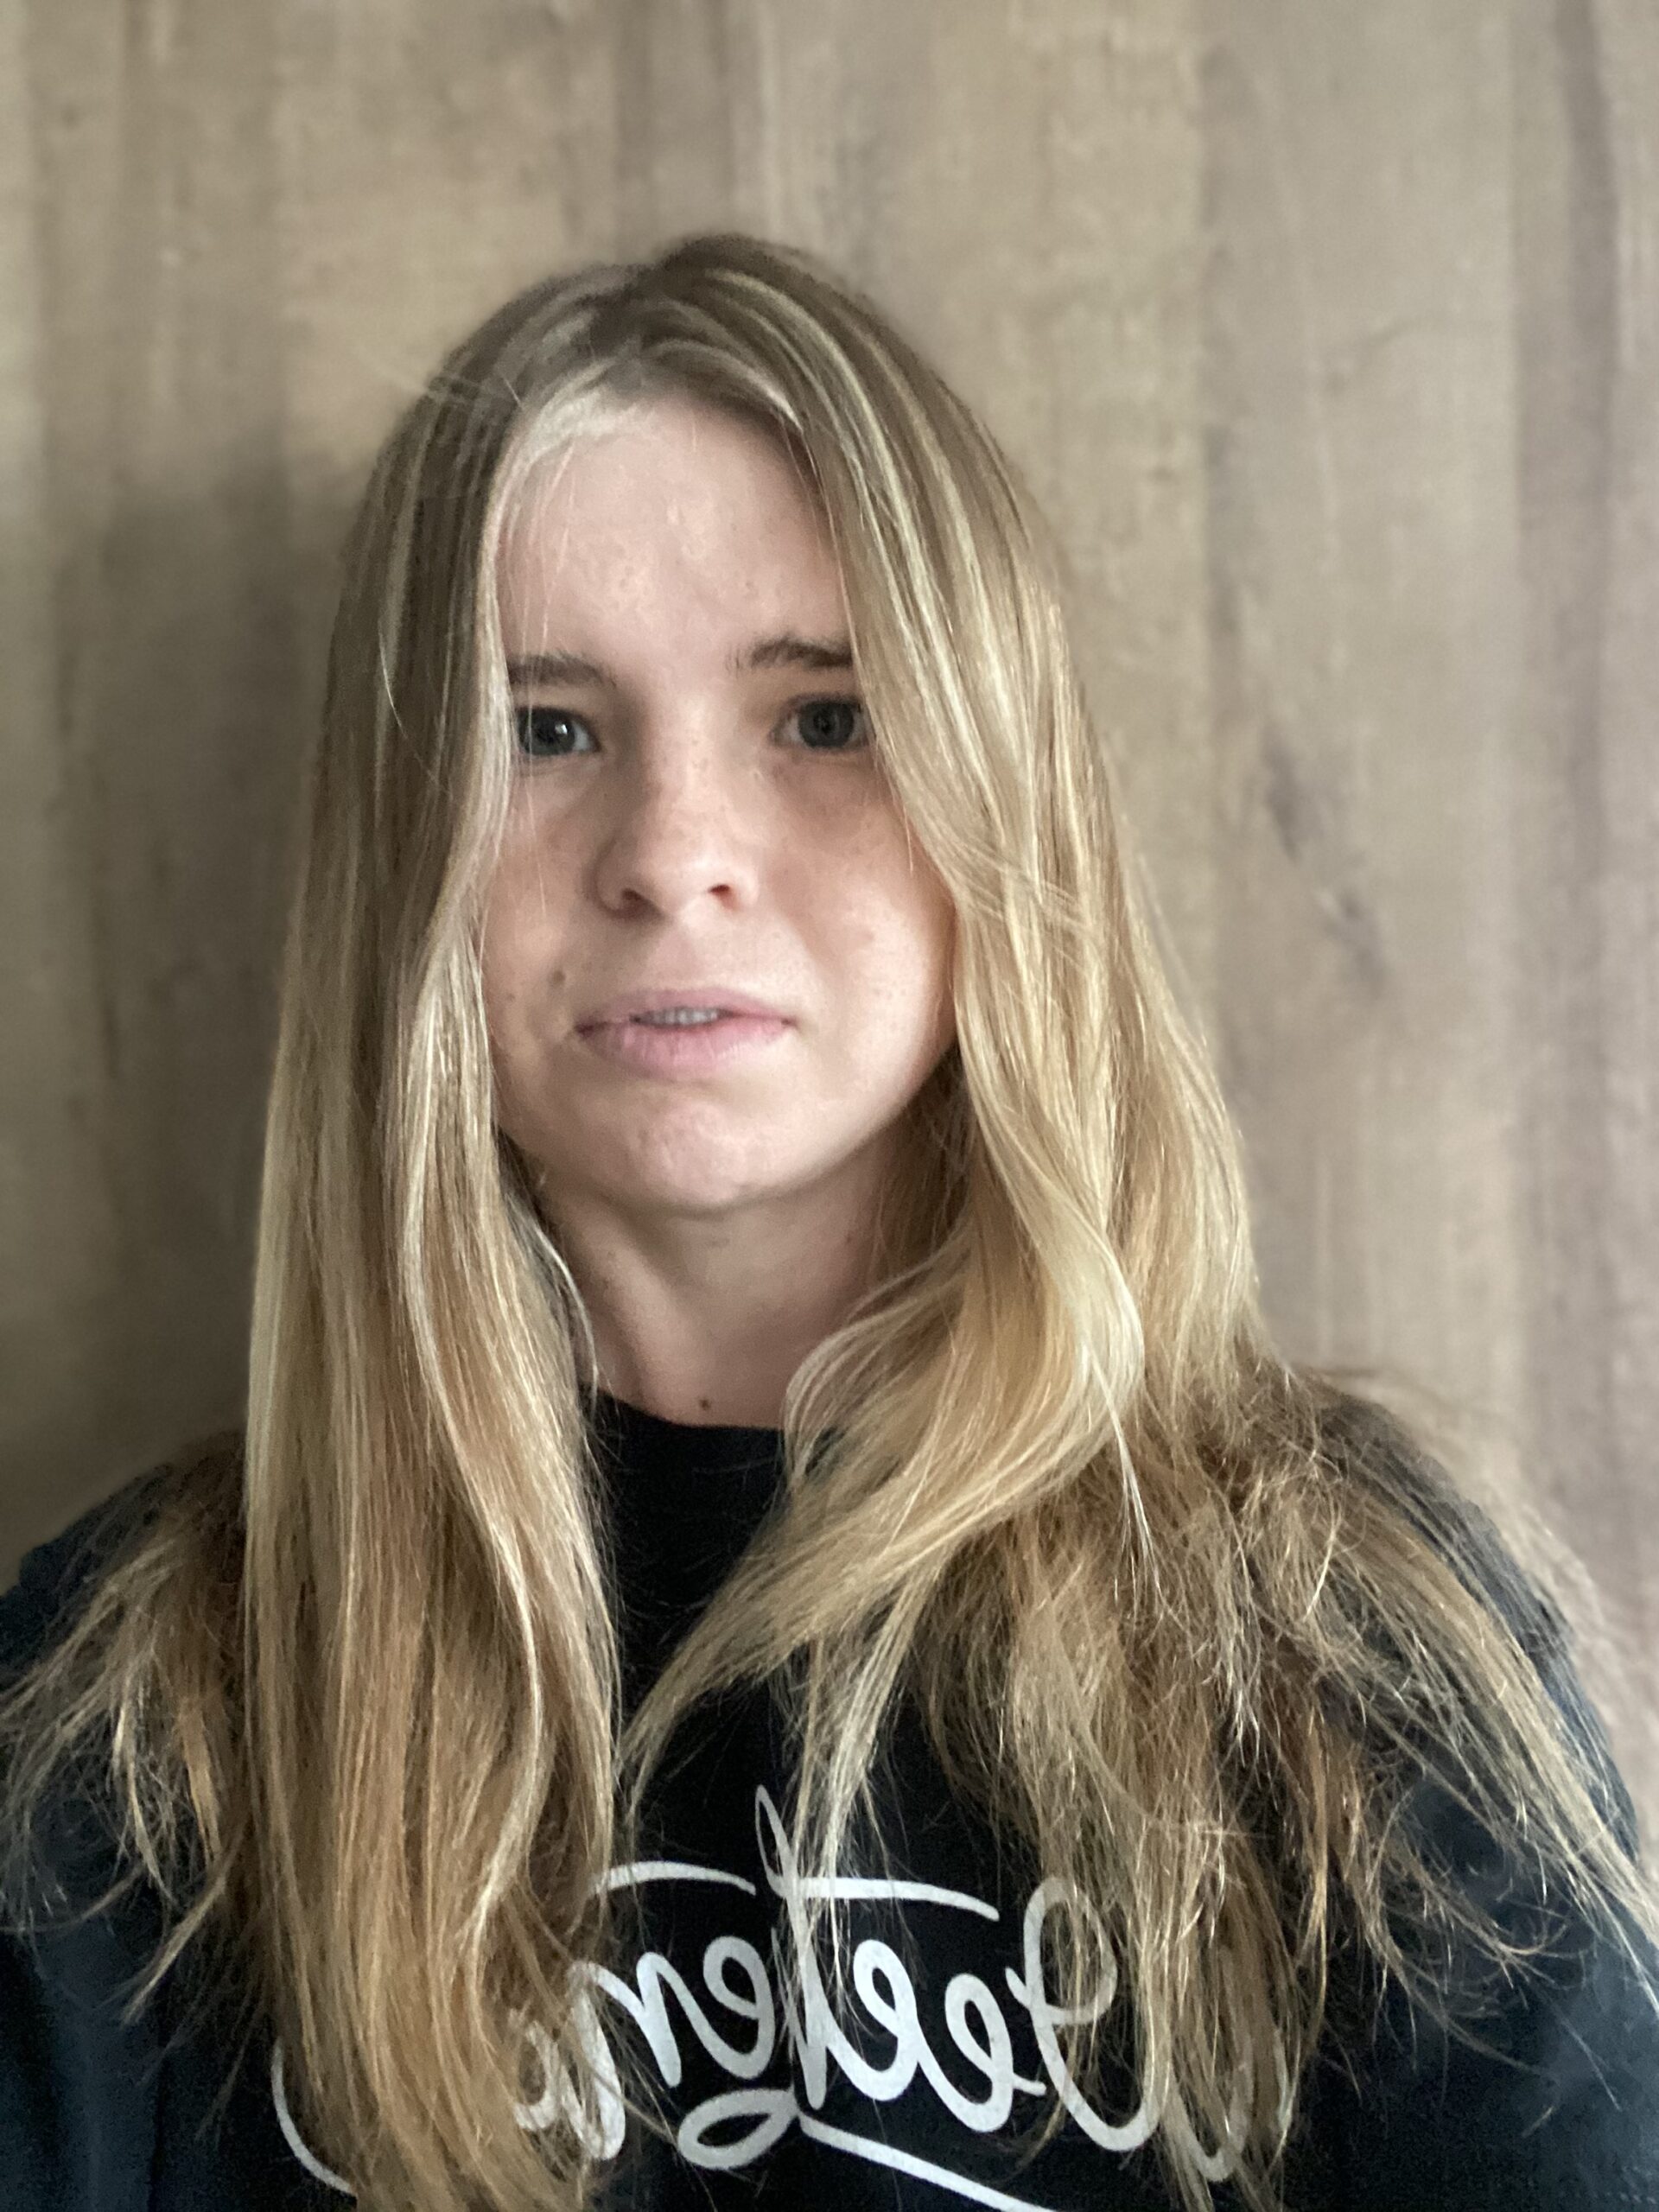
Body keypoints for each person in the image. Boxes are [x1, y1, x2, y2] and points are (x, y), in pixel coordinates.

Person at [3, 231, 1656, 2212]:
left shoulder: (1344, 1647)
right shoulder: (122, 1722)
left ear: (1004, 804)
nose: (675, 851)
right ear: (401, 859)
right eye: (544, 727)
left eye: (823, 717)